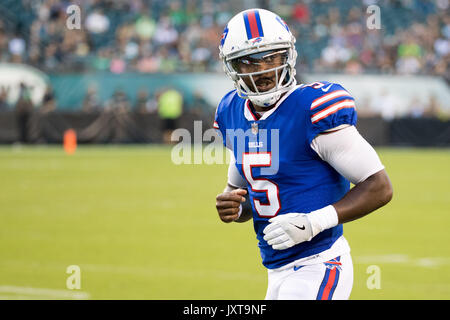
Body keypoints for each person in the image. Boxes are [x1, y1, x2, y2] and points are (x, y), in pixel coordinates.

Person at [214, 9, 393, 300]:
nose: (262, 69)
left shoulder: (312, 108)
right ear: (231, 67)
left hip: (319, 263)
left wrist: (313, 223)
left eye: (270, 57)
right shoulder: (230, 111)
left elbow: (380, 187)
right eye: (248, 62)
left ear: (288, 56)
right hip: (276, 269)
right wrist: (234, 206)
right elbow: (247, 194)